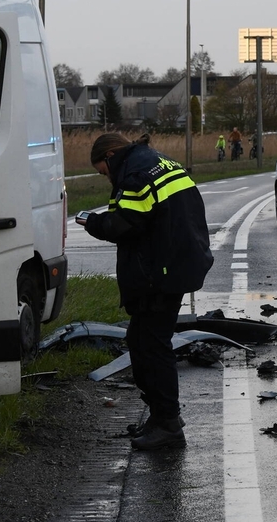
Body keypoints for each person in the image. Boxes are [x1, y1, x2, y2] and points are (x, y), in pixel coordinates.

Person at [78, 132, 213, 450]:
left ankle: (168, 425)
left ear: (110, 156)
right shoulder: (156, 161)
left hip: (161, 271)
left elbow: (124, 224)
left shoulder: (136, 174)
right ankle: (161, 416)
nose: (105, 178)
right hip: (177, 262)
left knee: (152, 346)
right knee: (141, 341)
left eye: (102, 171)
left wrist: (94, 223)